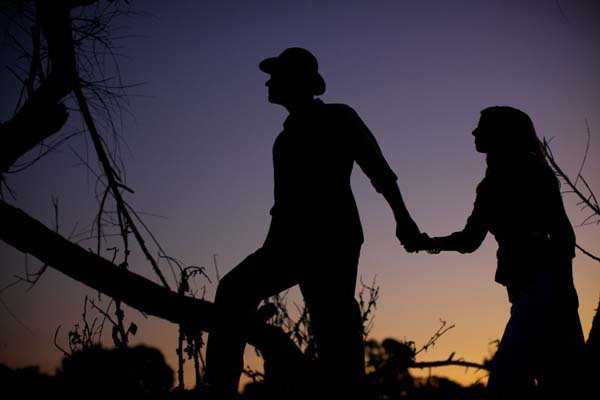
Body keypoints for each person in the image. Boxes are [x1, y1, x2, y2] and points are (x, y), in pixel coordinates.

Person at [204, 47, 420, 399]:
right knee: (234, 290)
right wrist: (270, 250)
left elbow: (378, 170)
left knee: (333, 326)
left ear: (299, 81)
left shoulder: (339, 117)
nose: (269, 82)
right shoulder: (284, 140)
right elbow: (282, 206)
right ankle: (219, 389)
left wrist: (404, 220)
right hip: (289, 242)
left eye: (277, 75)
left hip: (334, 238)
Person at [413, 106, 586, 399]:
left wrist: (564, 290)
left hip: (543, 289)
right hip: (529, 292)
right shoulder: (494, 182)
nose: (474, 132)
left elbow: (563, 235)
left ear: (502, 133)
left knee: (508, 380)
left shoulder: (529, 172)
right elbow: (470, 240)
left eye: (482, 126)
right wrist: (428, 242)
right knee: (553, 381)